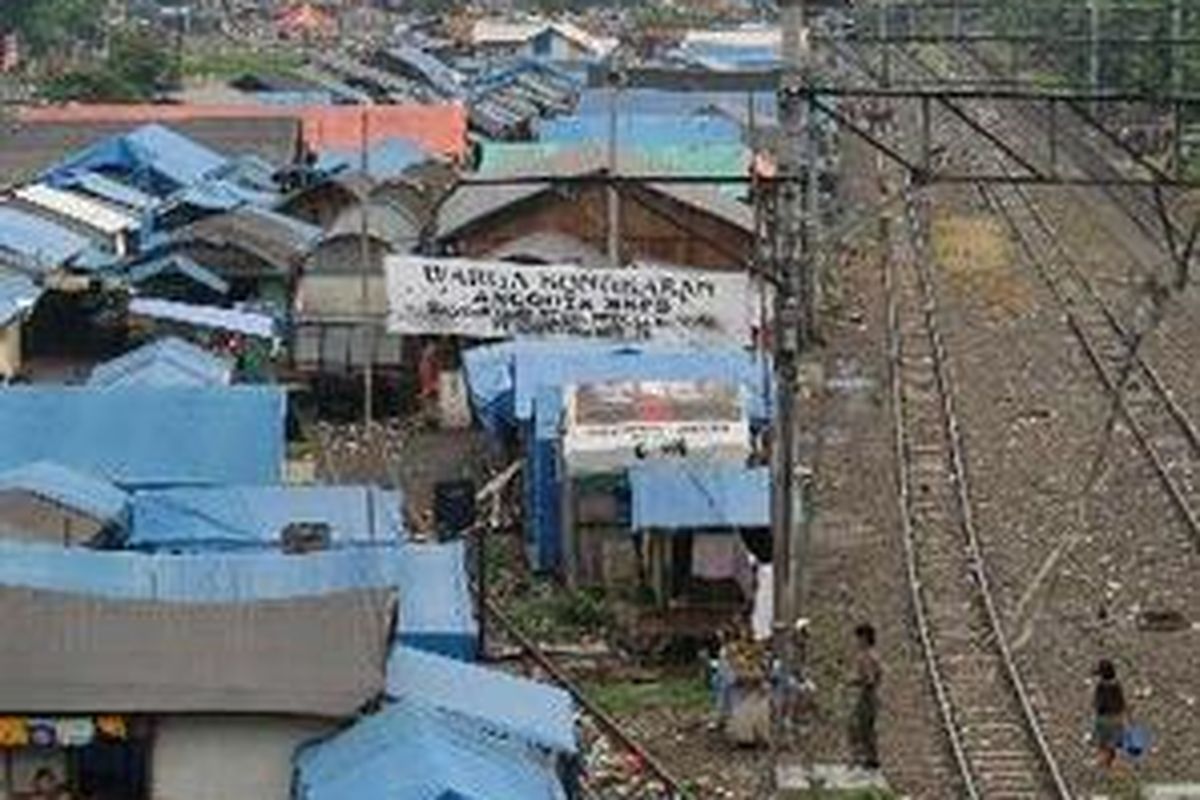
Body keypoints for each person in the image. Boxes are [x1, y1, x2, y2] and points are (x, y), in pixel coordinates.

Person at [847, 622, 882, 771]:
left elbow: (869, 680)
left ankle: (867, 759)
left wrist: (853, 681)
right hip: (872, 696)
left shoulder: (865, 656)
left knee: (860, 727)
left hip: (866, 696)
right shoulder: (874, 654)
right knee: (867, 728)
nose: (856, 641)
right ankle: (870, 758)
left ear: (865, 638)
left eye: (858, 638)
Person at [1093, 659, 1127, 771]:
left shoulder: (1105, 686)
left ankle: (1108, 759)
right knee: (1111, 738)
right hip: (1111, 716)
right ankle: (1110, 759)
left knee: (1106, 738)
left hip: (1106, 716)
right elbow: (1121, 703)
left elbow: (1099, 702)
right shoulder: (1114, 685)